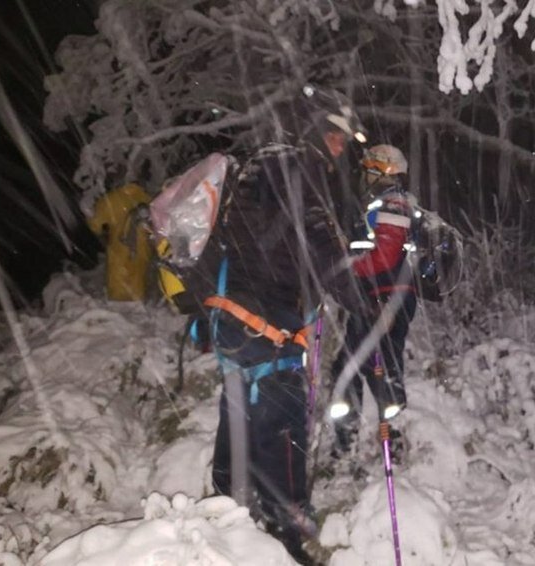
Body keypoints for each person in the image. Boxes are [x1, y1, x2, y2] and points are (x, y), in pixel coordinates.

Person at [178, 86, 367, 565]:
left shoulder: (256, 167)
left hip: (234, 322)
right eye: (335, 136)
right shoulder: (300, 170)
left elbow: (233, 241)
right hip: (270, 326)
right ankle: (288, 536)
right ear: (315, 132)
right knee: (284, 428)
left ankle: (225, 514)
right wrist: (360, 299)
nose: (340, 147)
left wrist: (203, 313)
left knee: (239, 412)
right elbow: (323, 247)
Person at [328, 144, 418, 459]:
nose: (362, 176)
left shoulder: (394, 205)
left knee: (363, 367)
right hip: (378, 298)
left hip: (386, 300)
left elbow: (383, 257)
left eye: (368, 170)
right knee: (368, 366)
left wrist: (342, 269)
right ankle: (381, 435)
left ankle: (370, 440)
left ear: (382, 171)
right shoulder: (382, 204)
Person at [86, 183, 153, 301]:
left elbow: (95, 225)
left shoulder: (110, 200)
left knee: (118, 283)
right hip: (142, 249)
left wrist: (89, 213)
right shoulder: (147, 198)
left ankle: (119, 308)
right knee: (138, 281)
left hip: (118, 249)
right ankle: (138, 306)